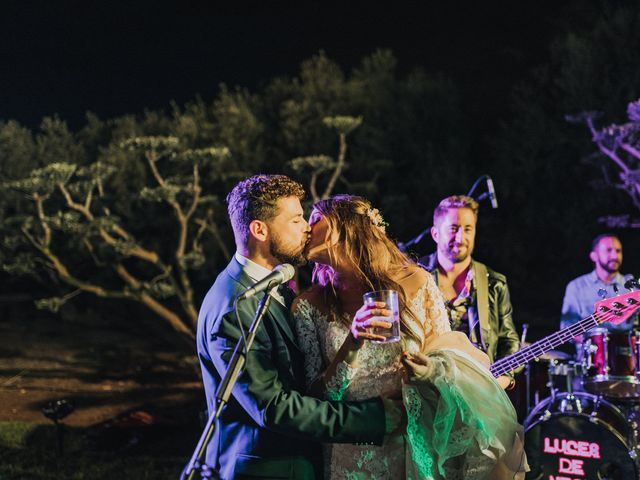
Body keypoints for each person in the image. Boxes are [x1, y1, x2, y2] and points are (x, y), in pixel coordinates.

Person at [294, 194, 527, 479]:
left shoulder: (417, 282)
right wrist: (352, 343)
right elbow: (316, 399)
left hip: (413, 443)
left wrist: (426, 370)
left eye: (315, 219)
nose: (305, 227)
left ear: (346, 228)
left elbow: (450, 362)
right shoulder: (307, 304)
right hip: (350, 454)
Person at [196, 175, 401, 480]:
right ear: (259, 230)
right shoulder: (233, 307)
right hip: (269, 470)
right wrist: (376, 418)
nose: (307, 226)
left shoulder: (278, 284)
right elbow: (274, 407)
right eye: (295, 220)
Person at [418, 195, 521, 390]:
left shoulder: (495, 283)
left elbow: (509, 340)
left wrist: (505, 379)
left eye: (468, 229)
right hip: (427, 387)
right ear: (435, 234)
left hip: (477, 389)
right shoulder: (415, 276)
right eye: (453, 228)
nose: (461, 238)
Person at [561, 233, 635, 352]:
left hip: (627, 359)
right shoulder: (577, 286)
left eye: (618, 251)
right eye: (609, 250)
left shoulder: (632, 288)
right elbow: (567, 327)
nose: (615, 255)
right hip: (589, 360)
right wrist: (592, 341)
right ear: (594, 256)